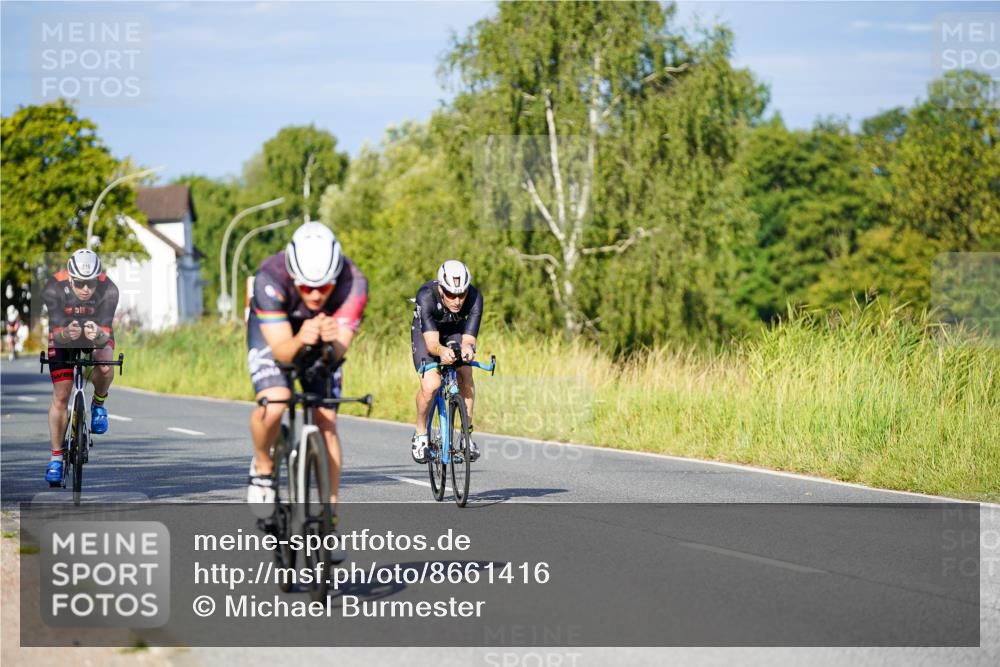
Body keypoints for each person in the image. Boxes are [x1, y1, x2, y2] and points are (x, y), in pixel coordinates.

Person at [245, 222, 368, 521]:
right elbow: (281, 352)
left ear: (335, 277)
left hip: (323, 335)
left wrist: (330, 340)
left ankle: (330, 517)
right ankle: (263, 467)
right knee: (275, 401)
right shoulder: (269, 277)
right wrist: (301, 338)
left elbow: (339, 351)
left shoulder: (354, 283)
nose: (314, 295)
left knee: (326, 420)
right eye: (306, 286)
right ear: (292, 275)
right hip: (276, 333)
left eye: (324, 287)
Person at [41, 249, 119, 483]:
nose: (86, 289)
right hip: (64, 332)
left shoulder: (109, 289)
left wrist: (98, 336)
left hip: (95, 330)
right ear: (70, 278)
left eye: (91, 283)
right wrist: (66, 334)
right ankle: (56, 458)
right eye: (81, 283)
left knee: (105, 362)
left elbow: (105, 334)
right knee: (61, 396)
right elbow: (56, 332)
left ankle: (98, 404)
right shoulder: (54, 287)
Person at [410, 260, 483, 464]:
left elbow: (469, 339)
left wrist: (468, 349)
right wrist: (442, 351)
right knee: (432, 384)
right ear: (441, 288)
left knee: (466, 374)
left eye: (462, 294)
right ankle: (420, 434)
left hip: (455, 330)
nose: (457, 300)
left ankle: (466, 437)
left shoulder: (475, 297)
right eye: (451, 294)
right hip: (427, 333)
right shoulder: (426, 295)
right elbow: (433, 344)